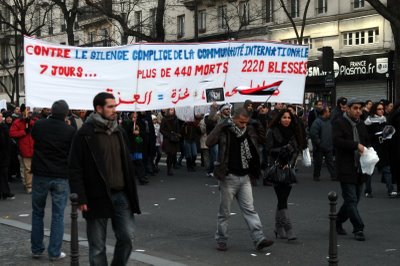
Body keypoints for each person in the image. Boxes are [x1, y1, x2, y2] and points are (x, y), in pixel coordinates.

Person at [69, 92, 141, 265]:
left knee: (127, 238)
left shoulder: (119, 131)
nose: (114, 110)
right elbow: (75, 167)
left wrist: (136, 136)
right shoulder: (85, 134)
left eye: (115, 106)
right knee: (97, 247)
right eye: (110, 106)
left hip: (122, 194)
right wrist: (80, 196)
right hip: (96, 196)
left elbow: (127, 161)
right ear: (98, 108)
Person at [206, 107, 274, 252]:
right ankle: (222, 239)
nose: (243, 125)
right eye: (240, 122)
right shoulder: (225, 130)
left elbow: (264, 140)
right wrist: (221, 125)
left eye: (246, 122)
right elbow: (209, 142)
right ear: (234, 118)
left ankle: (259, 238)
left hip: (245, 177)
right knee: (224, 212)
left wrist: (258, 123)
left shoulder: (249, 130)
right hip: (228, 177)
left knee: (250, 210)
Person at [30, 100, 76, 260]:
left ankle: (36, 249)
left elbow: (34, 137)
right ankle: (54, 251)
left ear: (51, 111)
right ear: (66, 113)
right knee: (58, 215)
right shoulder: (70, 130)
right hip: (60, 175)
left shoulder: (39, 125)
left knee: (37, 212)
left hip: (40, 173)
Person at [333, 98, 370, 241]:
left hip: (360, 167)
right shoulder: (339, 123)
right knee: (351, 199)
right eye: (355, 108)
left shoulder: (361, 125)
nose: (358, 111)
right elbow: (337, 141)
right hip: (346, 167)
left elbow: (366, 141)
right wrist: (356, 145)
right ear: (347, 109)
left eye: (360, 109)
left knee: (354, 200)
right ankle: (358, 228)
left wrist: (370, 151)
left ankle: (337, 220)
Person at [266, 109, 301, 241]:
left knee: (283, 199)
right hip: (276, 168)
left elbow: (296, 150)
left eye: (289, 118)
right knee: (282, 199)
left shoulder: (293, 132)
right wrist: (283, 152)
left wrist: (290, 163)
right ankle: (288, 228)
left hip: (288, 169)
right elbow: (269, 149)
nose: (287, 120)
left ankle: (277, 227)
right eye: (284, 117)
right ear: (279, 119)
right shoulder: (272, 131)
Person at [364, 102, 397, 197]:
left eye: (382, 108)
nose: (382, 110)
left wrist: (388, 134)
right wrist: (376, 135)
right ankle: (368, 191)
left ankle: (390, 190)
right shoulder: (368, 121)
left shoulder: (384, 120)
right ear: (374, 110)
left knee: (387, 169)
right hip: (372, 149)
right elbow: (366, 136)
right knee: (370, 171)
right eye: (379, 109)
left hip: (383, 149)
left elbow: (389, 131)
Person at [9, 105, 38, 194]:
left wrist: (30, 122)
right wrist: (23, 132)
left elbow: (39, 128)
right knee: (28, 168)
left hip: (35, 148)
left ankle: (31, 184)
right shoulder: (17, 122)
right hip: (25, 148)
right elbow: (12, 133)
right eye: (26, 110)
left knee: (34, 169)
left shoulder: (34, 120)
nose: (28, 112)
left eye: (29, 110)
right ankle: (29, 186)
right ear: (22, 112)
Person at [309, 106, 336, 181]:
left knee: (330, 162)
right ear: (324, 112)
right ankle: (316, 176)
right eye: (328, 111)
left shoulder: (329, 121)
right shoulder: (317, 122)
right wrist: (319, 143)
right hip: (319, 147)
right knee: (318, 163)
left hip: (328, 146)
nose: (329, 113)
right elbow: (313, 134)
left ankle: (334, 176)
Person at [160, 108, 181, 176]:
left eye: (173, 110)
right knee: (170, 154)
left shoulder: (176, 119)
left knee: (173, 154)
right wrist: (168, 135)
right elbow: (161, 130)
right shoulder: (164, 119)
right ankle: (169, 168)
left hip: (174, 139)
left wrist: (177, 134)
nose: (172, 111)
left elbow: (178, 129)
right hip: (168, 139)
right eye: (171, 110)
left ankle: (170, 165)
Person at [0, 118, 15, 200]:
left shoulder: (4, 127)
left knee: (4, 174)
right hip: (3, 154)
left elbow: (7, 140)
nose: (2, 118)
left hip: (4, 155)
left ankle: (5, 191)